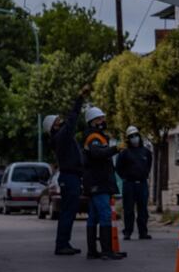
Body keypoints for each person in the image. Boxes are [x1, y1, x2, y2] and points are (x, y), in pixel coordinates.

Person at [46, 83, 92, 256]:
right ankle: (62, 245)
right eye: (58, 121)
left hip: (71, 177)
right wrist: (80, 98)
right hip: (69, 178)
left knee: (69, 212)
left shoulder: (61, 137)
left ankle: (64, 243)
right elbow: (72, 118)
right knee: (67, 213)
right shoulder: (61, 137)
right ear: (54, 127)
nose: (62, 121)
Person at [83, 106, 126, 260]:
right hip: (98, 182)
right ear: (92, 121)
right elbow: (97, 154)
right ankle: (107, 250)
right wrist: (116, 148)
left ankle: (93, 251)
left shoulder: (97, 136)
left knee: (94, 216)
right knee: (105, 215)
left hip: (95, 181)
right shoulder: (93, 137)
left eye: (102, 118)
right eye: (99, 118)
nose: (103, 121)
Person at [116, 125, 153, 241]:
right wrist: (126, 177)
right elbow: (118, 168)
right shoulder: (124, 153)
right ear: (128, 138)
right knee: (128, 209)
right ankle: (127, 232)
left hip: (142, 184)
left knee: (143, 210)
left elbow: (148, 165)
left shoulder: (146, 152)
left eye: (136, 135)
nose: (134, 138)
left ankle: (143, 232)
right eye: (131, 136)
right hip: (129, 185)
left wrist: (144, 175)